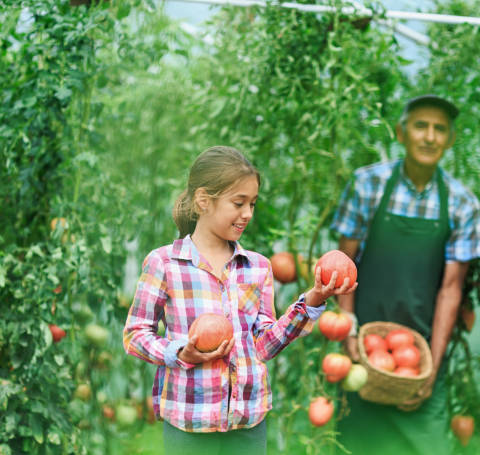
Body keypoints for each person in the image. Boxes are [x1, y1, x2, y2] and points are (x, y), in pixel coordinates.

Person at [123, 146, 357, 455]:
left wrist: (313, 299)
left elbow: (264, 345)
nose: (247, 213)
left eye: (253, 203)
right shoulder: (165, 263)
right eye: (238, 203)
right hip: (189, 422)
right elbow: (135, 335)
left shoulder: (258, 267)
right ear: (203, 200)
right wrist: (181, 352)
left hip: (247, 423)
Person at [332, 95, 480, 454]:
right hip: (364, 355)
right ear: (401, 133)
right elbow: (343, 265)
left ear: (450, 139)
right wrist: (348, 333)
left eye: (440, 129)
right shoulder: (368, 185)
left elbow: (451, 289)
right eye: (420, 126)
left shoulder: (462, 203)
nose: (430, 137)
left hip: (420, 356)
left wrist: (432, 364)